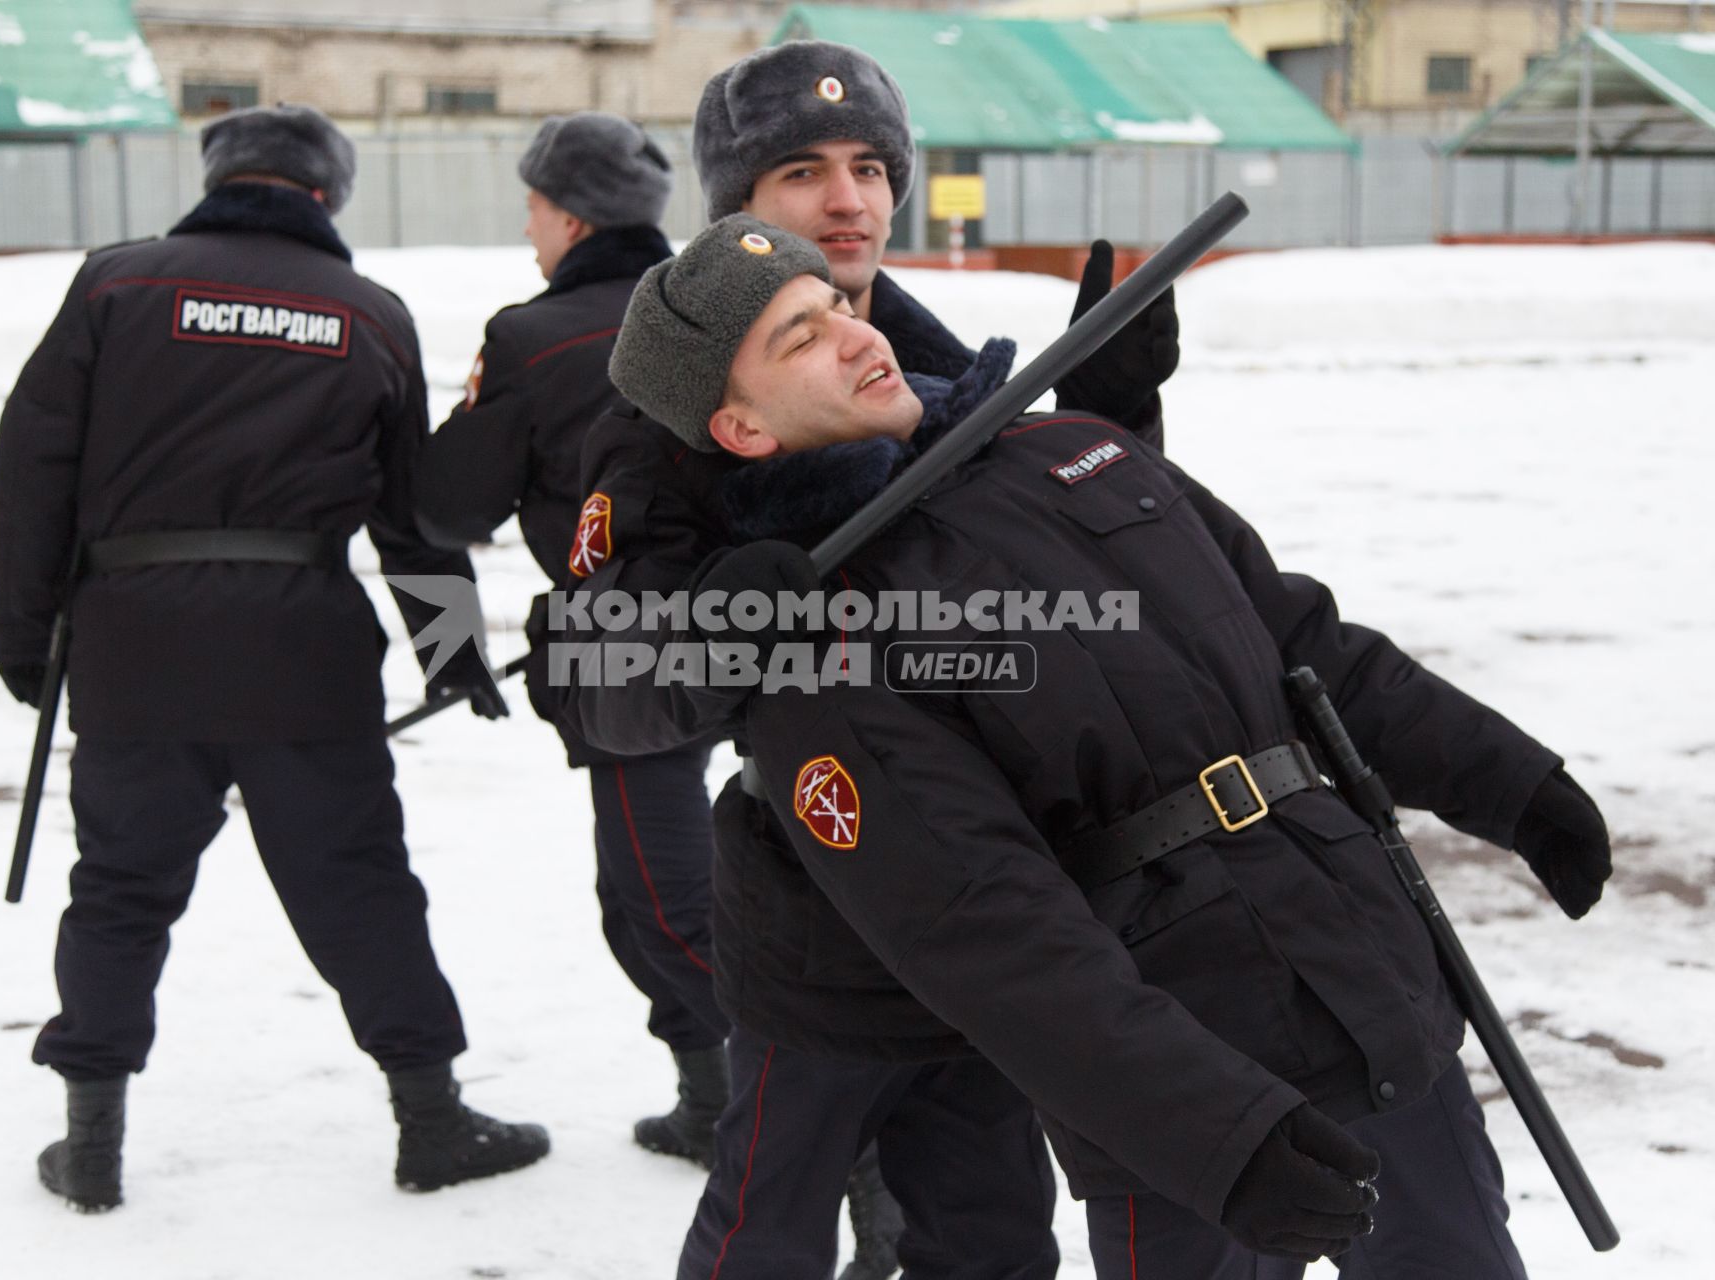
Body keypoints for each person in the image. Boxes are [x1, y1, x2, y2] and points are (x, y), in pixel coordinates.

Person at [599, 212, 1617, 1276]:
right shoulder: (828, 633)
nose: (857, 335)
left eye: (838, 306)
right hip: (1181, 1078)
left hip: (1375, 988)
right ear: (743, 429)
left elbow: (1304, 643)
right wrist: (1215, 1133)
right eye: (797, 340)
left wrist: (1511, 781)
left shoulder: (1068, 448)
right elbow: (985, 926)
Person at [554, 41, 1173, 1279]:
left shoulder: (951, 373)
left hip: (1002, 893)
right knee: (768, 1220)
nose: (849, 202)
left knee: (993, 1230)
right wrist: (717, 621)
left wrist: (1113, 429)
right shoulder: (672, 407)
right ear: (735, 207)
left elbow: (1115, 594)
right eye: (801, 170)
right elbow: (592, 677)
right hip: (825, 903)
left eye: (870, 168)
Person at [0, 104, 548, 1213]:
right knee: (359, 887)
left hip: (133, 645)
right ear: (327, 194)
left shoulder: (117, 285)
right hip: (303, 651)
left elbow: (32, 467)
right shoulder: (369, 314)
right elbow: (411, 512)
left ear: (218, 177)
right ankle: (431, 1118)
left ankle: (91, 1139)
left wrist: (25, 643)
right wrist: (450, 650)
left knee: (118, 889)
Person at [412, 113, 735, 1165]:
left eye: (534, 210)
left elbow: (442, 509)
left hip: (632, 649)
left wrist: (449, 648)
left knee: (664, 905)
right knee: (658, 893)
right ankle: (714, 1100)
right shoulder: (728, 304)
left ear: (571, 214)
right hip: (780, 622)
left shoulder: (534, 336)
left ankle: (813, 1114)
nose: (528, 230)